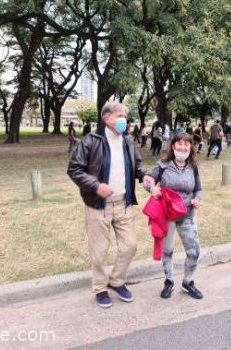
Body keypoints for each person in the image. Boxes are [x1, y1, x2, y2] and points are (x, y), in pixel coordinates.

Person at [68, 102, 155, 309]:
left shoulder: (128, 141)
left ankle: (117, 281)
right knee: (99, 251)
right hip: (98, 205)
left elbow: (138, 164)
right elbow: (75, 170)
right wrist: (96, 186)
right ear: (107, 118)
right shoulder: (90, 141)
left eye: (125, 115)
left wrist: (144, 176)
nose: (124, 119)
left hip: (124, 204)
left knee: (130, 246)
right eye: (119, 115)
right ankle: (100, 288)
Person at [147, 133, 204, 300]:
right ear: (173, 146)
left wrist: (197, 199)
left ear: (190, 148)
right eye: (179, 144)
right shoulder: (163, 165)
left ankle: (188, 282)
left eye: (186, 145)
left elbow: (198, 189)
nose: (183, 147)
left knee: (194, 251)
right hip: (167, 216)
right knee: (168, 250)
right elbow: (148, 180)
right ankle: (169, 281)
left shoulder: (193, 167)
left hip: (187, 215)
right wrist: (152, 188)